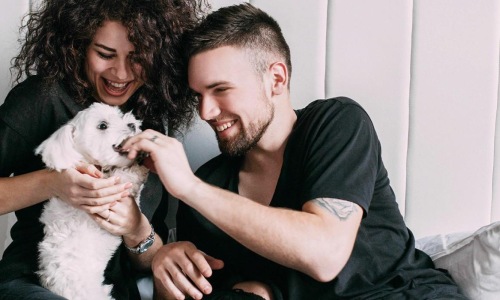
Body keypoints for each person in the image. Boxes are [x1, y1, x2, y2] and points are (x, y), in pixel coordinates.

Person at [121, 3, 468, 300]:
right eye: (199, 96)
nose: (206, 112)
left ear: (276, 79)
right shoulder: (209, 186)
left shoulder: (335, 123)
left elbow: (325, 255)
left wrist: (189, 188)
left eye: (220, 89)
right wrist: (165, 266)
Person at [0, 0, 207, 299]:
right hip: (32, 282)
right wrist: (54, 183)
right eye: (105, 54)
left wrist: (136, 229)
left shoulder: (147, 128)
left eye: (137, 58)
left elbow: (149, 259)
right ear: (77, 45)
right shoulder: (43, 99)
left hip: (114, 290)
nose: (121, 73)